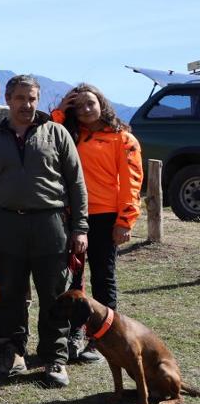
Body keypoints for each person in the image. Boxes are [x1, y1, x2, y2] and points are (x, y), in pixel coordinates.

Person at [0, 74, 88, 388]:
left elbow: (77, 184)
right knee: (10, 294)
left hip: (50, 224)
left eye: (32, 98)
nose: (27, 105)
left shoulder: (57, 133)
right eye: (21, 98)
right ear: (8, 100)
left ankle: (55, 357)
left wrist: (80, 227)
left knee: (55, 294)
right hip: (6, 225)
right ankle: (13, 352)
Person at [52, 83, 143, 363]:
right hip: (72, 215)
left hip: (106, 216)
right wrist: (60, 110)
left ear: (102, 103)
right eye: (78, 106)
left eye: (90, 103)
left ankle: (103, 336)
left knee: (103, 277)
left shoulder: (122, 138)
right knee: (73, 278)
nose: (86, 109)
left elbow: (132, 182)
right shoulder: (69, 133)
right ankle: (74, 333)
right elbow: (48, 136)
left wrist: (125, 220)